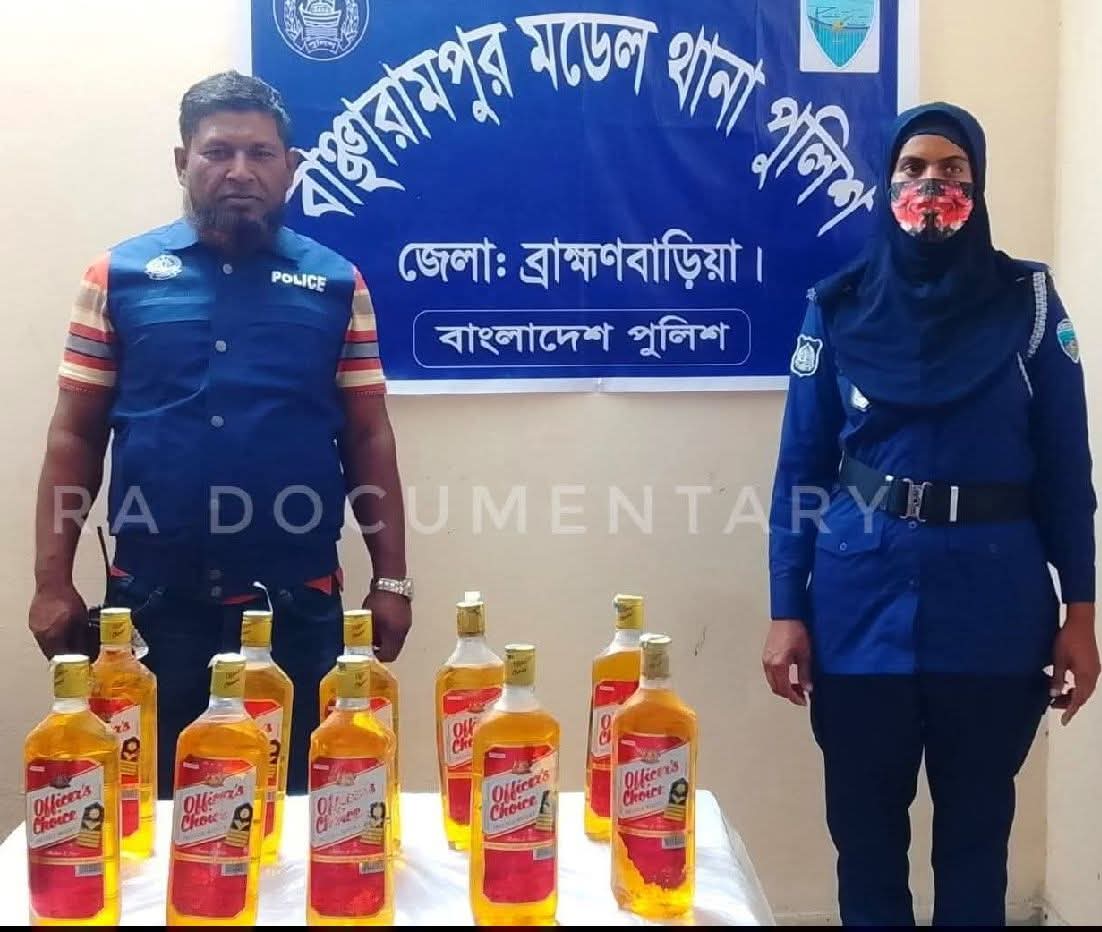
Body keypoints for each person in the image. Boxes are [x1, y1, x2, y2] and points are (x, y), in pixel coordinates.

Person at [29, 71, 413, 797]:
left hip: (297, 607)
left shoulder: (339, 285)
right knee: (149, 812)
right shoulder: (116, 277)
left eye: (261, 153)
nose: (240, 171)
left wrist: (391, 579)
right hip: (151, 611)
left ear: (290, 167)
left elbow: (369, 439)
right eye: (218, 152)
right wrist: (53, 583)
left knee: (304, 809)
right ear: (183, 162)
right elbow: (73, 438)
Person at [764, 102, 1099, 926]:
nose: (931, 185)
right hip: (858, 612)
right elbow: (802, 468)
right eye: (912, 168)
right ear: (886, 183)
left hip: (992, 612)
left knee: (976, 843)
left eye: (953, 170)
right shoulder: (839, 305)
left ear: (977, 185)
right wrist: (786, 609)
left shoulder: (1027, 303)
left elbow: (1067, 468)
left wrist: (1081, 611)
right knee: (866, 841)